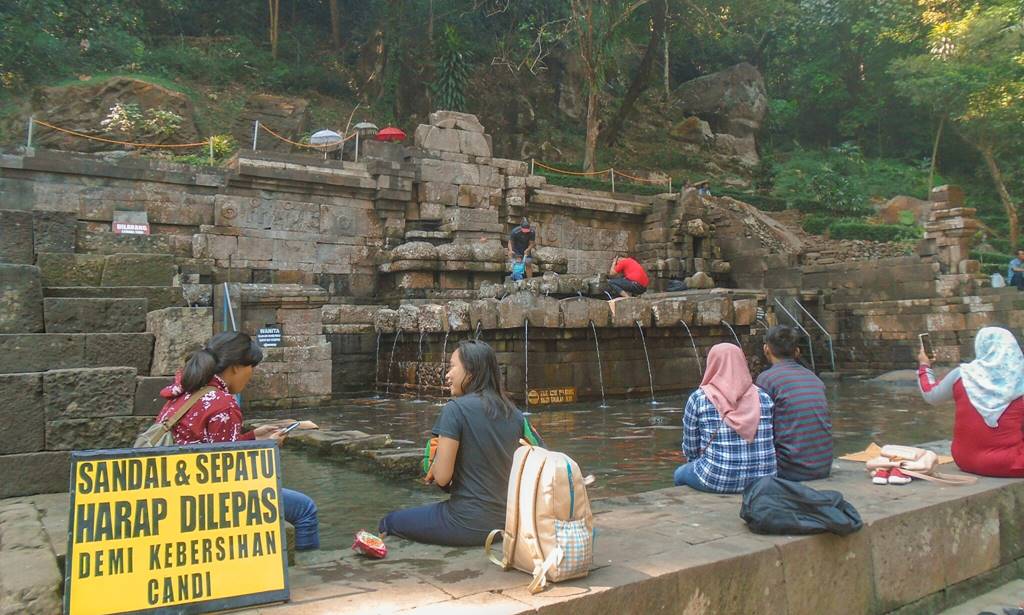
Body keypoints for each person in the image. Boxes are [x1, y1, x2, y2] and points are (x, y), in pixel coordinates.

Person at [155, 331, 320, 550]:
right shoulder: (224, 404)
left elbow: (210, 448)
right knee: (305, 509)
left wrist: (253, 437)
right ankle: (309, 568)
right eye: (251, 367)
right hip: (204, 499)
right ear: (235, 367)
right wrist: (268, 446)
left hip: (171, 490)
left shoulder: (184, 393)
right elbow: (229, 471)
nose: (251, 375)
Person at [379, 340, 531, 546]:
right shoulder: (514, 412)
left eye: (452, 366)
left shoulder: (455, 409)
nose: (447, 374)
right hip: (510, 523)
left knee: (390, 521)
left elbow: (442, 478)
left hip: (467, 524)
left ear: (471, 371)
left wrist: (432, 462)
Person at [918, 326, 1024, 477]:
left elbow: (931, 395)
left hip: (963, 459)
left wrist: (924, 365)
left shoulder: (962, 374)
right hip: (1006, 463)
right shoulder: (1019, 381)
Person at [674, 343, 777, 493]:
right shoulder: (763, 397)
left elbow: (691, 448)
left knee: (679, 474)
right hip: (765, 480)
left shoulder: (699, 398)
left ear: (712, 364)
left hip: (717, 478)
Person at [755, 325, 833, 481]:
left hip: (790, 469)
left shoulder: (766, 379)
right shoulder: (813, 378)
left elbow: (760, 427)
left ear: (766, 349)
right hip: (823, 466)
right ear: (797, 351)